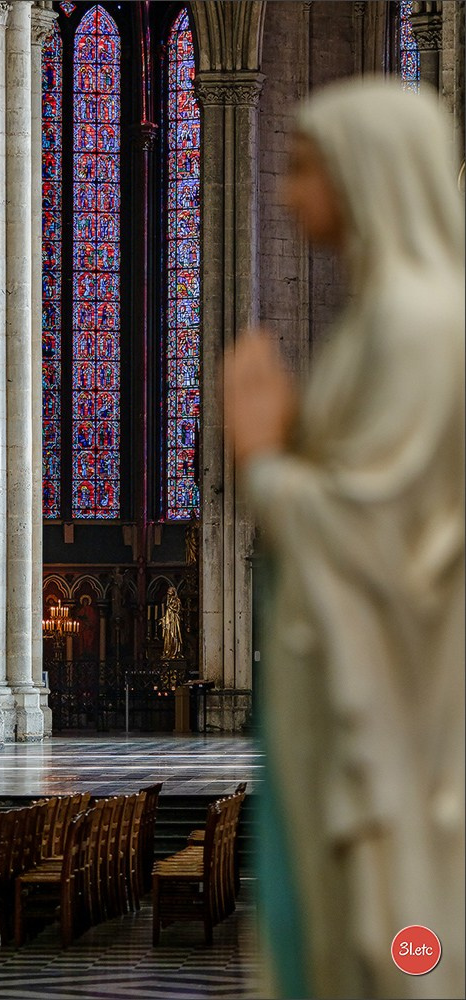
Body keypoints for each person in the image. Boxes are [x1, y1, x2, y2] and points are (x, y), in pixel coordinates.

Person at [224, 79, 464, 1000]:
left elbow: (373, 539)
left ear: (367, 173)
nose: (284, 194)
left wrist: (264, 457)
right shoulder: (388, 322)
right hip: (374, 700)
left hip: (402, 719)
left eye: (301, 168)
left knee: (400, 940)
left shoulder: (414, 326)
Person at [160, 586, 182, 660]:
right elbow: (166, 613)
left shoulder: (177, 600)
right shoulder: (168, 601)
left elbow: (177, 610)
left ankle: (174, 652)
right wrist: (163, 619)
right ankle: (167, 652)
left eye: (170, 592)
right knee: (168, 636)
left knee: (174, 636)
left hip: (174, 622)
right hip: (168, 622)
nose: (168, 594)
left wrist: (170, 607)